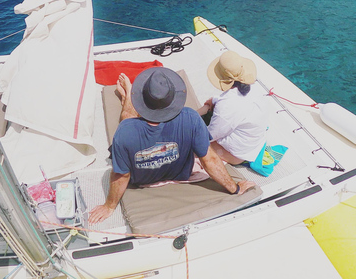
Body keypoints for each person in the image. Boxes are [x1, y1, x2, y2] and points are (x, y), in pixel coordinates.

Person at [88, 67, 255, 224]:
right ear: (173, 99)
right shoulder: (191, 118)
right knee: (130, 120)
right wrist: (235, 188)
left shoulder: (125, 132)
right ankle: (128, 97)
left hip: (143, 179)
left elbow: (121, 175)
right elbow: (209, 159)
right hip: (180, 173)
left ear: (143, 101)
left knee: (126, 116)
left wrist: (109, 206)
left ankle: (128, 99)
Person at [199, 51, 270, 165]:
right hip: (253, 143)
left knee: (193, 144)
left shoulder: (226, 105)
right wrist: (213, 101)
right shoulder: (254, 88)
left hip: (237, 154)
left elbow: (210, 135)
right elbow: (237, 102)